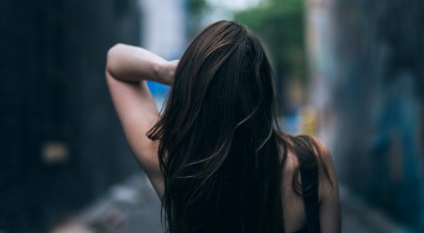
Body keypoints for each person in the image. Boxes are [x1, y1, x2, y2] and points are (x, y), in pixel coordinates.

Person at [106, 20, 341, 233]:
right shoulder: (311, 161)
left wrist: (168, 70)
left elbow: (115, 60)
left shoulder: (169, 159)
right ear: (264, 91)